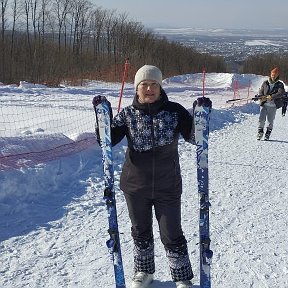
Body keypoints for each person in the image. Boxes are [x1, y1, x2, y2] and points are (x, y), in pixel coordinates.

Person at [94, 65, 211, 288]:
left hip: (168, 186)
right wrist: (102, 119)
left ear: (160, 87)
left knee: (172, 232)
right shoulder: (128, 114)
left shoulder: (175, 111)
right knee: (140, 231)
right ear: (137, 89)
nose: (149, 88)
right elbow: (106, 142)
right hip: (135, 186)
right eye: (144, 85)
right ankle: (144, 271)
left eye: (154, 84)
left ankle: (181, 276)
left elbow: (195, 138)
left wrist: (200, 117)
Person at [255, 67, 285, 140]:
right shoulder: (265, 82)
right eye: (272, 74)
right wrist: (260, 96)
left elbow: (280, 93)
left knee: (270, 121)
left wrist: (271, 96)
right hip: (264, 104)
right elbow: (261, 91)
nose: (273, 76)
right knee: (261, 119)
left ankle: (268, 133)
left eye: (275, 75)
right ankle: (260, 132)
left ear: (277, 75)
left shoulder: (280, 84)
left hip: (273, 105)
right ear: (270, 74)